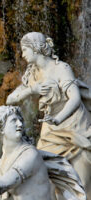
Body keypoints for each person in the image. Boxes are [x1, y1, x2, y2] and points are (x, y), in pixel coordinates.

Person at [6, 32, 91, 197]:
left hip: (75, 127)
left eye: (25, 49)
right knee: (47, 176)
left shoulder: (61, 68)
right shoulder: (32, 74)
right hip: (50, 132)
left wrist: (58, 119)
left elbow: (74, 98)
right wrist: (32, 90)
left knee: (81, 182)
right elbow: (10, 100)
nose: (22, 54)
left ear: (36, 48)